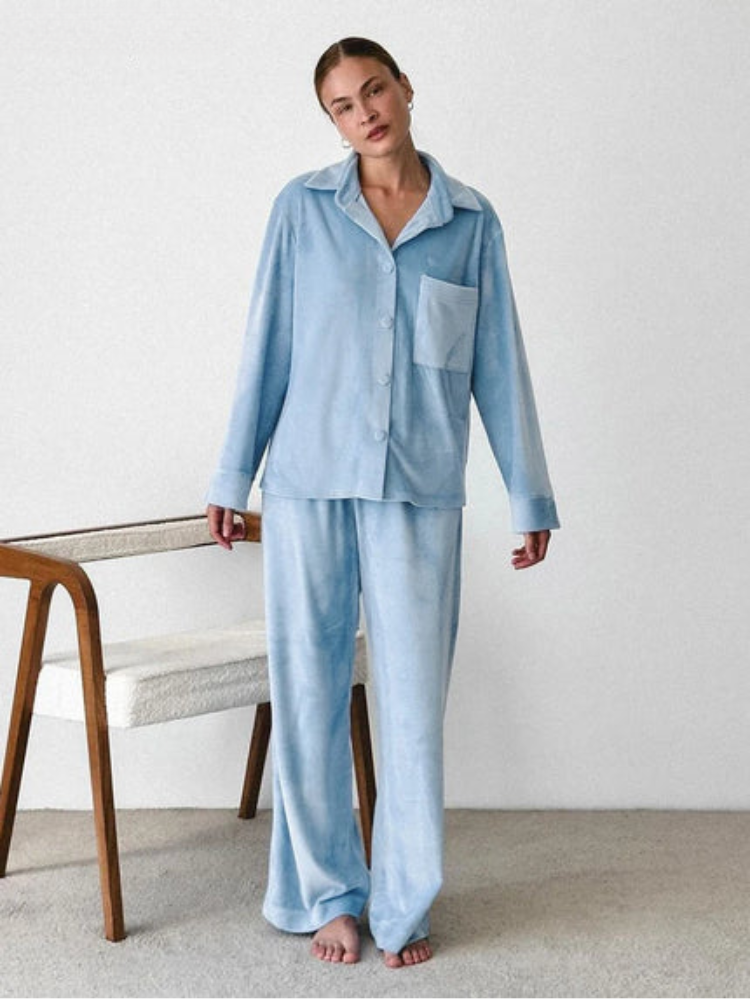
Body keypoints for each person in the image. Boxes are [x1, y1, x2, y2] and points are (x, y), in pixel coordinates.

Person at [206, 36, 559, 969]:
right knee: (310, 690)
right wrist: (231, 476)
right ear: (330, 121)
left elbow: (499, 363)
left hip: (419, 488)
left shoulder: (470, 222)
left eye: (374, 91)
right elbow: (267, 346)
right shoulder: (302, 211)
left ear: (405, 88)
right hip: (308, 482)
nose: (364, 113)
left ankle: (402, 902)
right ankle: (327, 893)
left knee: (410, 704)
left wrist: (530, 494)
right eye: (343, 104)